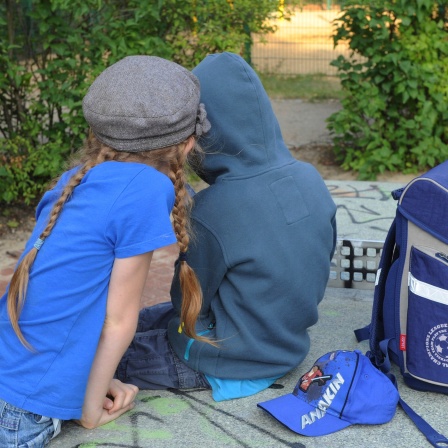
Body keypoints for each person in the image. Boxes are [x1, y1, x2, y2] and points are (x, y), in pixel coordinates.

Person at [0, 55, 211, 447]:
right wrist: (90, 408)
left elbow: (61, 300)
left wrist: (84, 378)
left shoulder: (77, 179)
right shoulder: (149, 190)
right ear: (189, 142)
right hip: (22, 410)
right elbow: (118, 321)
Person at [116, 52, 337, 402]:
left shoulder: (216, 207)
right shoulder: (310, 178)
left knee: (107, 350)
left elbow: (187, 303)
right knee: (145, 318)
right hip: (283, 341)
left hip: (227, 361)